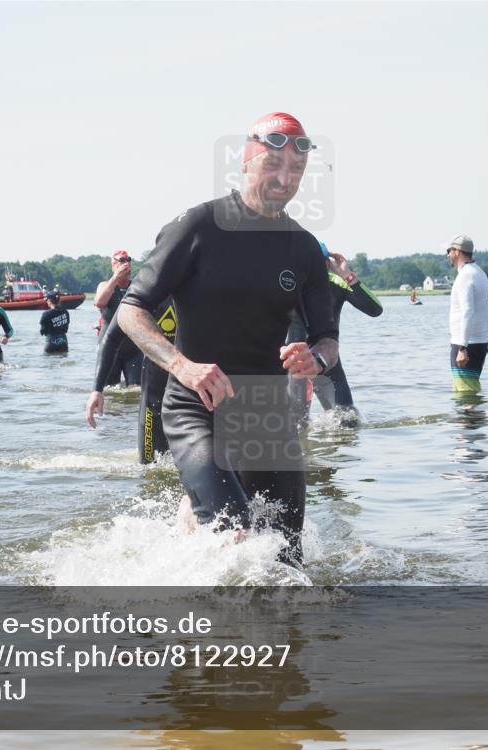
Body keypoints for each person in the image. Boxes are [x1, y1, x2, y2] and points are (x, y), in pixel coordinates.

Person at [118, 112, 338, 566]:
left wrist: (313, 358)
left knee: (286, 557)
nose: (284, 178)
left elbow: (328, 341)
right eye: (272, 164)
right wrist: (183, 365)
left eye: (296, 170)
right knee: (236, 530)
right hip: (196, 405)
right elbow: (130, 311)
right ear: (246, 160)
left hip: (267, 417)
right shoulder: (198, 227)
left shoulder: (303, 248)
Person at [287, 243, 382, 426]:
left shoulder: (337, 283)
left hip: (327, 362)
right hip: (294, 363)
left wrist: (347, 276)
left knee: (347, 421)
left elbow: (375, 309)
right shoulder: (286, 284)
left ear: (328, 264)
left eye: (319, 262)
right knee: (296, 427)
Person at [86, 295, 176, 463]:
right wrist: (97, 389)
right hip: (154, 394)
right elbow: (111, 338)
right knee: (151, 467)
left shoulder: (206, 286)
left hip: (200, 393)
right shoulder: (148, 289)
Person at [446, 234, 488, 394]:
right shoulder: (478, 272)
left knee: (464, 394)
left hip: (467, 344)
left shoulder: (465, 276)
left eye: (449, 250)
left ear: (457, 251)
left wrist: (462, 348)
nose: (447, 255)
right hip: (477, 342)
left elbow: (467, 311)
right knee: (469, 392)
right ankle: (475, 418)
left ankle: (469, 419)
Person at [94, 249, 143, 386]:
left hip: (133, 346)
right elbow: (99, 302)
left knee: (136, 389)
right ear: (113, 265)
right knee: (109, 389)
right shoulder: (104, 286)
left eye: (128, 260)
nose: (126, 264)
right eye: (121, 261)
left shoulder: (137, 286)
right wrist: (115, 278)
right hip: (109, 345)